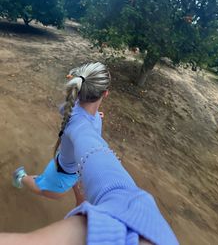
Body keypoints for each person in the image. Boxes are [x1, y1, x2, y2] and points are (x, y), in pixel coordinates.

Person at [10, 61, 179, 245]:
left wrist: (94, 117)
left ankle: (63, 199)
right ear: (105, 93)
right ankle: (22, 176)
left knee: (83, 203)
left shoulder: (76, 109)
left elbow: (74, 118)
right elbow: (88, 142)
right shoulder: (80, 125)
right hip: (64, 173)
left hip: (77, 171)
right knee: (47, 191)